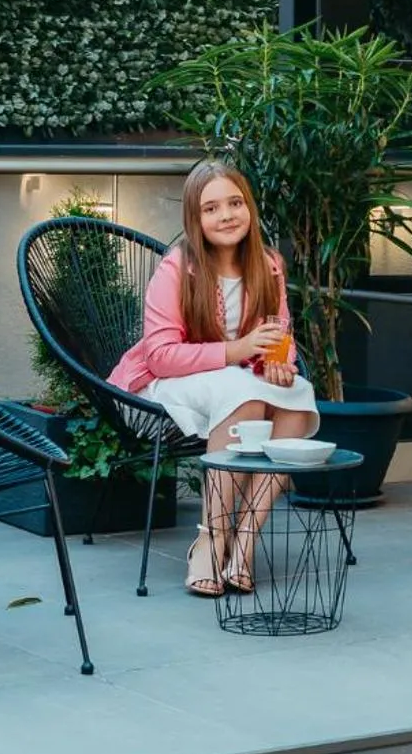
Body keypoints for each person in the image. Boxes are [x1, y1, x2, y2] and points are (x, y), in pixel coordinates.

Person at [108, 162, 319, 597]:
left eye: (235, 203)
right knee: (242, 393)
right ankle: (211, 538)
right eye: (211, 208)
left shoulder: (268, 265)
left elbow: (280, 336)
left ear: (250, 208)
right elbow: (161, 356)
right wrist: (237, 353)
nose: (226, 215)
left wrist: (277, 364)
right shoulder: (177, 269)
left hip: (235, 378)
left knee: (298, 397)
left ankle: (245, 539)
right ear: (194, 218)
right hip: (167, 382)